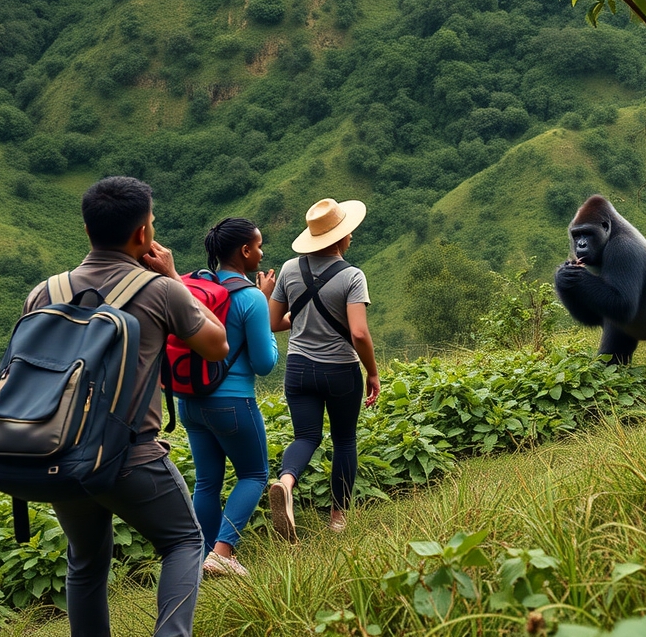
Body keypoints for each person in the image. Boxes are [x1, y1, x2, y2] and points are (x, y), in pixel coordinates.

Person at [25, 177, 228, 637]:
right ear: (143, 234)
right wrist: (175, 278)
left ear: (86, 230)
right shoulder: (160, 291)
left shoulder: (44, 292)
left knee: (87, 560)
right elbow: (217, 345)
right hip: (129, 457)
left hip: (58, 457)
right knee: (184, 541)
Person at [268, 198, 381, 542]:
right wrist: (372, 372)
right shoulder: (352, 276)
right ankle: (337, 517)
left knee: (306, 437)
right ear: (339, 238)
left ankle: (286, 483)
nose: (351, 238)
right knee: (344, 439)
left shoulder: (289, 269)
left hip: (299, 368)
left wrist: (302, 320)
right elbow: (359, 332)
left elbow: (273, 322)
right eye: (348, 233)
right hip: (340, 371)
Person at [179, 218, 279, 578]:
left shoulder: (195, 288)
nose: (262, 252)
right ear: (245, 251)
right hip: (232, 401)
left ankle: (206, 557)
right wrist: (265, 313)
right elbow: (264, 363)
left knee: (207, 481)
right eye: (259, 245)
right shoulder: (250, 297)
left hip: (189, 402)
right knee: (254, 473)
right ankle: (223, 553)